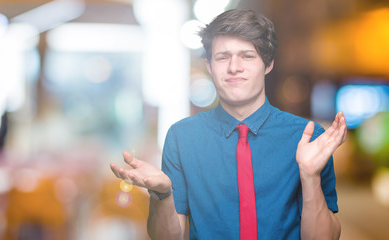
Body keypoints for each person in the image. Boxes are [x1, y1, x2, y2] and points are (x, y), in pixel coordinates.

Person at [110, 8, 346, 240]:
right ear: (210, 66)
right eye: (223, 57)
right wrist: (161, 195)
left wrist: (310, 176)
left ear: (268, 64)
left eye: (247, 56)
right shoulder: (182, 138)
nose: (234, 67)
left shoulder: (307, 137)